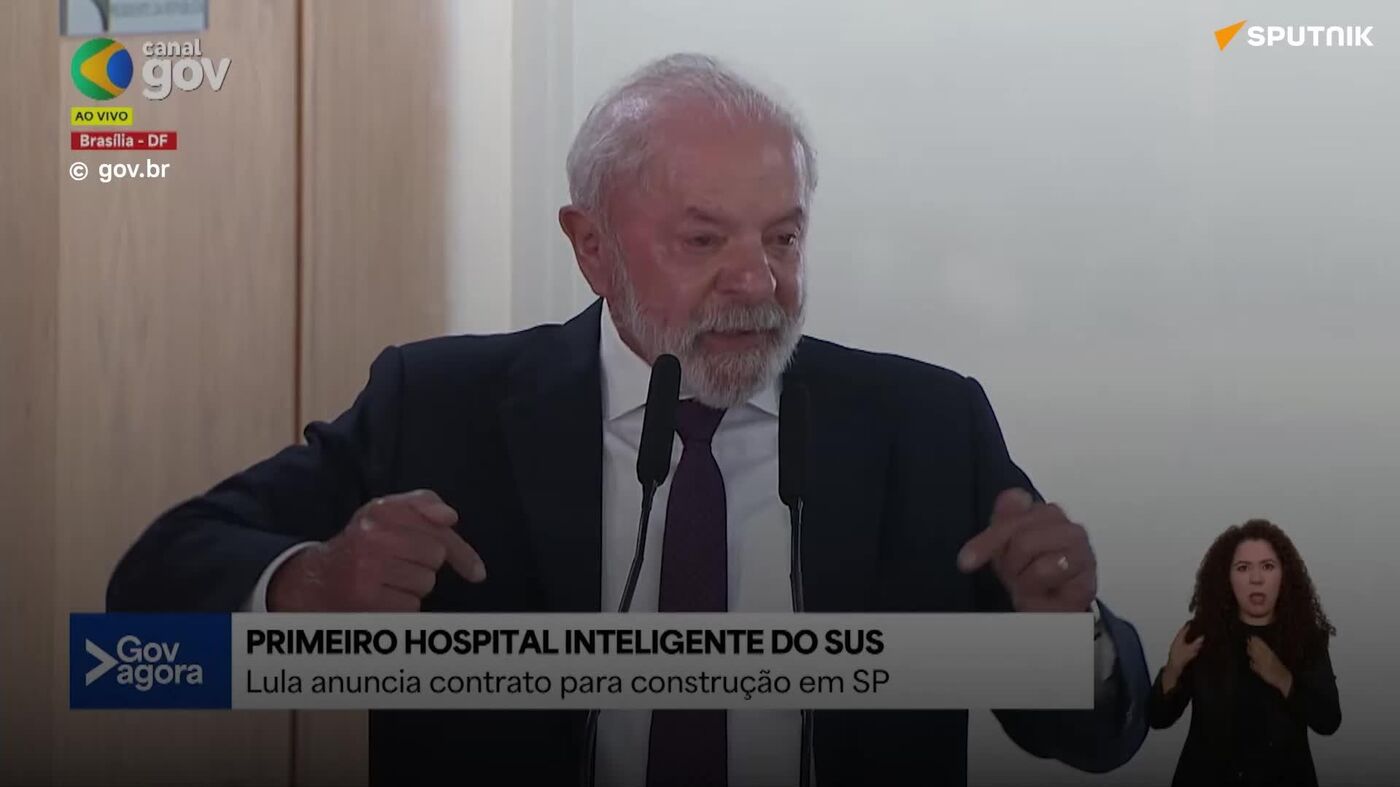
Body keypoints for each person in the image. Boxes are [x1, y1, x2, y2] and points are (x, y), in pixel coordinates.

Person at [107, 53, 1149, 786]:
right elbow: (144, 606)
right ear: (591, 247)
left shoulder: (925, 424)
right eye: (703, 241)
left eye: (783, 238)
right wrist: (306, 587)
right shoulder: (441, 407)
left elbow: (1096, 734)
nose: (757, 280)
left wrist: (1065, 636)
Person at [1148, 519, 1341, 786]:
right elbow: (1158, 718)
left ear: (1284, 575)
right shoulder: (1202, 634)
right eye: (1243, 568)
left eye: (1268, 566)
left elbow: (1328, 721)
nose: (1256, 579)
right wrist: (1173, 668)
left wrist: (1282, 678)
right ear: (1226, 577)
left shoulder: (1307, 639)